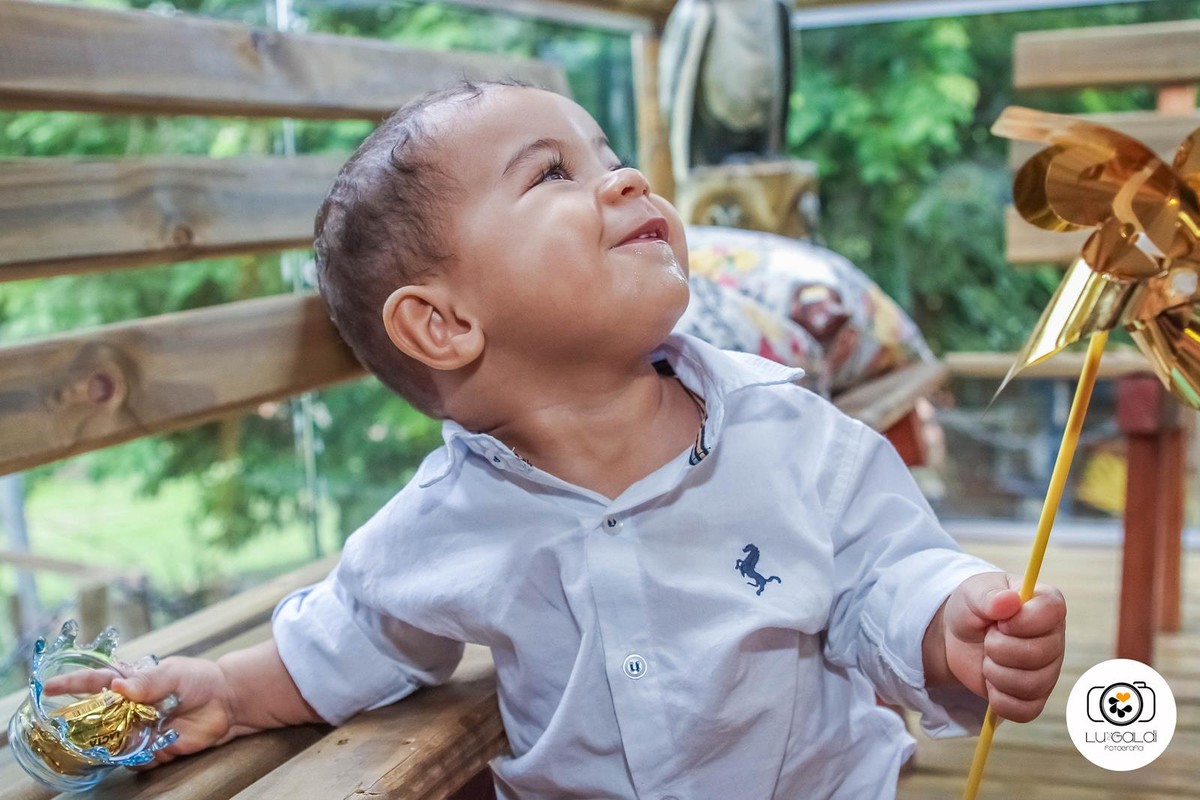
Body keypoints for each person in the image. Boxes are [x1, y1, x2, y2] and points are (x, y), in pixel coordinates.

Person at [49, 80, 1066, 799]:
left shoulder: (791, 433)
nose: (625, 182)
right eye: (554, 174)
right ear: (443, 323)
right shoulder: (444, 520)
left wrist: (948, 620)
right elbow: (352, 635)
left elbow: (881, 572)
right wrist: (226, 688)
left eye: (614, 159)